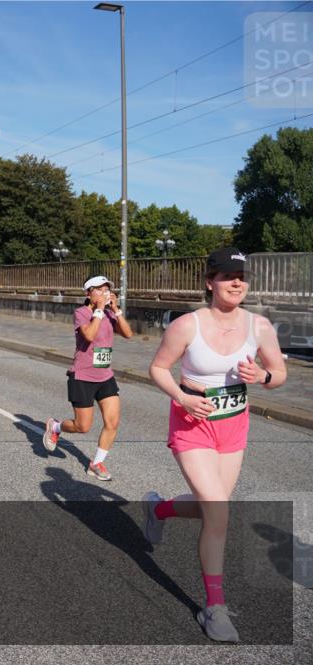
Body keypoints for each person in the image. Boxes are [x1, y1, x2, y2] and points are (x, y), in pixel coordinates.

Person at [144, 248, 287, 642]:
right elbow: (158, 368)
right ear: (210, 282)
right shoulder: (187, 325)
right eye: (227, 275)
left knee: (213, 509)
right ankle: (215, 607)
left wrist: (262, 375)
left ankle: (158, 509)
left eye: (241, 275)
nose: (237, 282)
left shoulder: (259, 326)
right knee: (219, 513)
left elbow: (279, 374)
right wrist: (183, 397)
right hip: (193, 425)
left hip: (233, 428)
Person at [43, 276, 134, 481]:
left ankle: (97, 463)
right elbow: (90, 335)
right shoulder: (81, 313)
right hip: (82, 376)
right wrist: (100, 311)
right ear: (88, 294)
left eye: (107, 289)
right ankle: (55, 427)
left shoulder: (111, 314)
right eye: (99, 289)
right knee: (82, 427)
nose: (105, 293)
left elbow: (128, 334)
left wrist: (117, 310)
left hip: (105, 376)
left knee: (113, 422)